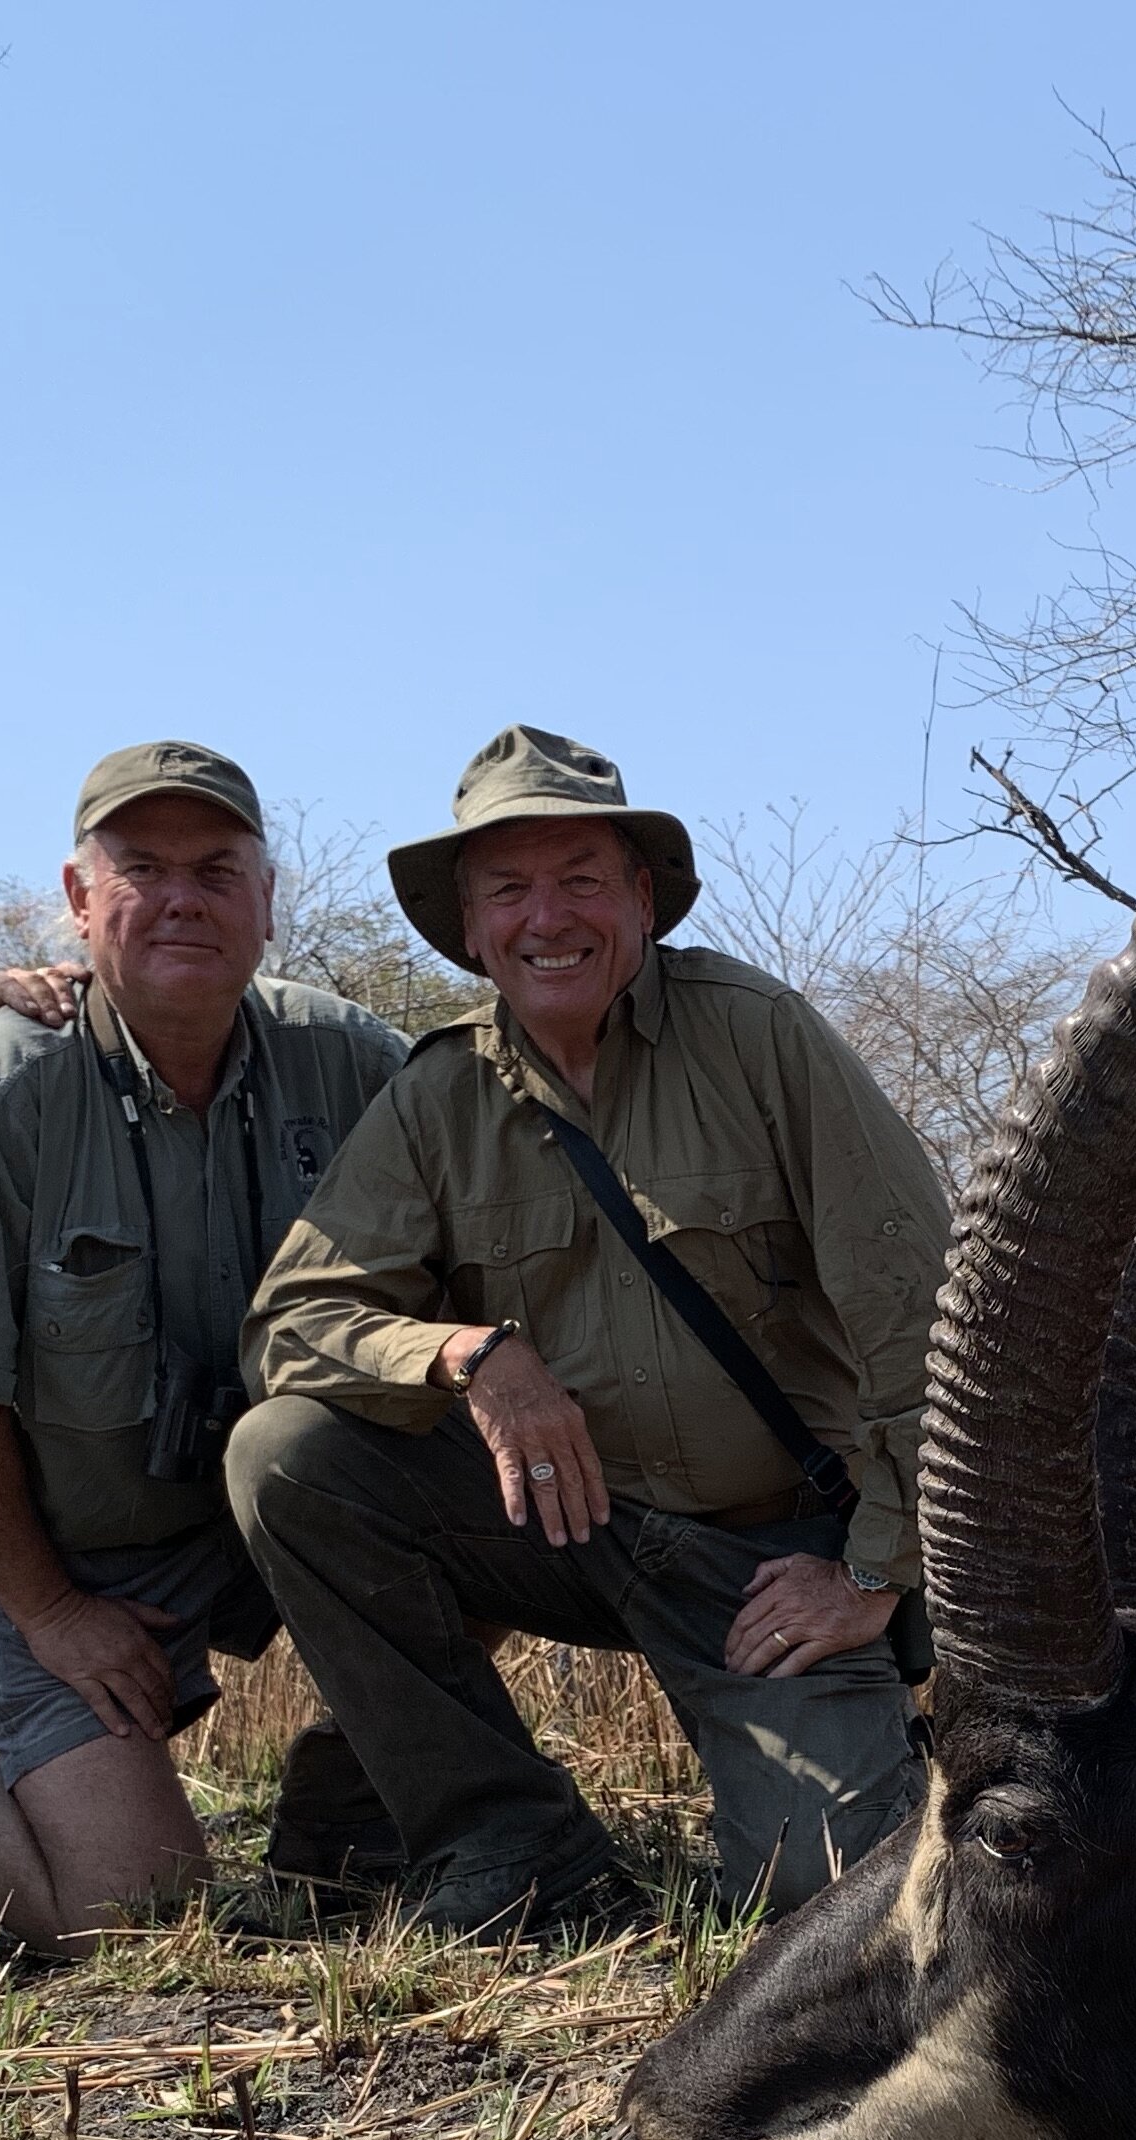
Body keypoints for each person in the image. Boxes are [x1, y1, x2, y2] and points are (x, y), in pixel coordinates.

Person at [225, 726, 947, 1934]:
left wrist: (876, 1568)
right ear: (468, 925)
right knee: (285, 1455)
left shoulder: (759, 1036)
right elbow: (292, 1326)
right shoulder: (435, 1094)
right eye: (508, 888)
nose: (545, 918)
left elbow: (929, 1315)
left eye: (580, 880)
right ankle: (507, 1841)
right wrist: (465, 1354)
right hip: (572, 1528)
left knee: (835, 1901)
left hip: (767, 1563)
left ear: (643, 899)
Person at [0, 741, 406, 1949]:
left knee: (496, 1490)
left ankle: (349, 1797)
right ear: (77, 898)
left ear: (268, 899)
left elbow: (513, 1146)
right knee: (133, 1913)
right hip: (39, 1548)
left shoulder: (354, 1059)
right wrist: (52, 1610)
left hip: (249, 1519)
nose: (182, 897)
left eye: (218, 869)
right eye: (140, 867)